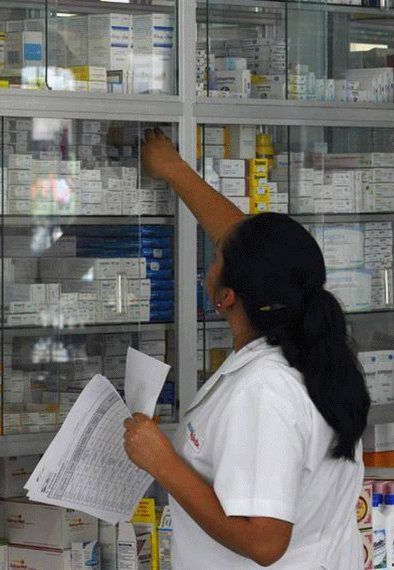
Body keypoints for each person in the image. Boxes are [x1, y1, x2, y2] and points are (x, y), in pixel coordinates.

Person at [124, 128, 371, 568]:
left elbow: (265, 542)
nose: (212, 258)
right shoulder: (313, 351)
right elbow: (250, 247)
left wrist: (163, 462)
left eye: (216, 258)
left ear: (226, 297)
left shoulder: (265, 390)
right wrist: (174, 170)